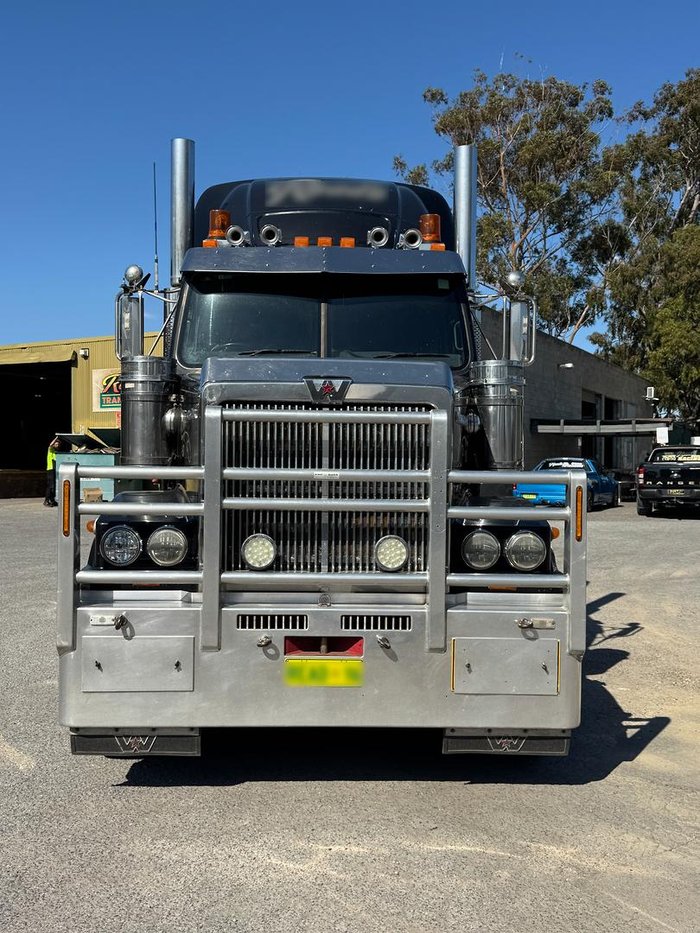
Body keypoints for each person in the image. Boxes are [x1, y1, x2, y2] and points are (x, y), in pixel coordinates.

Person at [44, 436, 67, 507]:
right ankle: (46, 500)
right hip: (50, 469)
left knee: (54, 486)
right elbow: (50, 445)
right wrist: (56, 438)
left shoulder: (56, 452)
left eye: (58, 444)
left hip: (55, 470)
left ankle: (52, 500)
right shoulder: (50, 449)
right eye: (56, 444)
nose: (57, 445)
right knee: (50, 486)